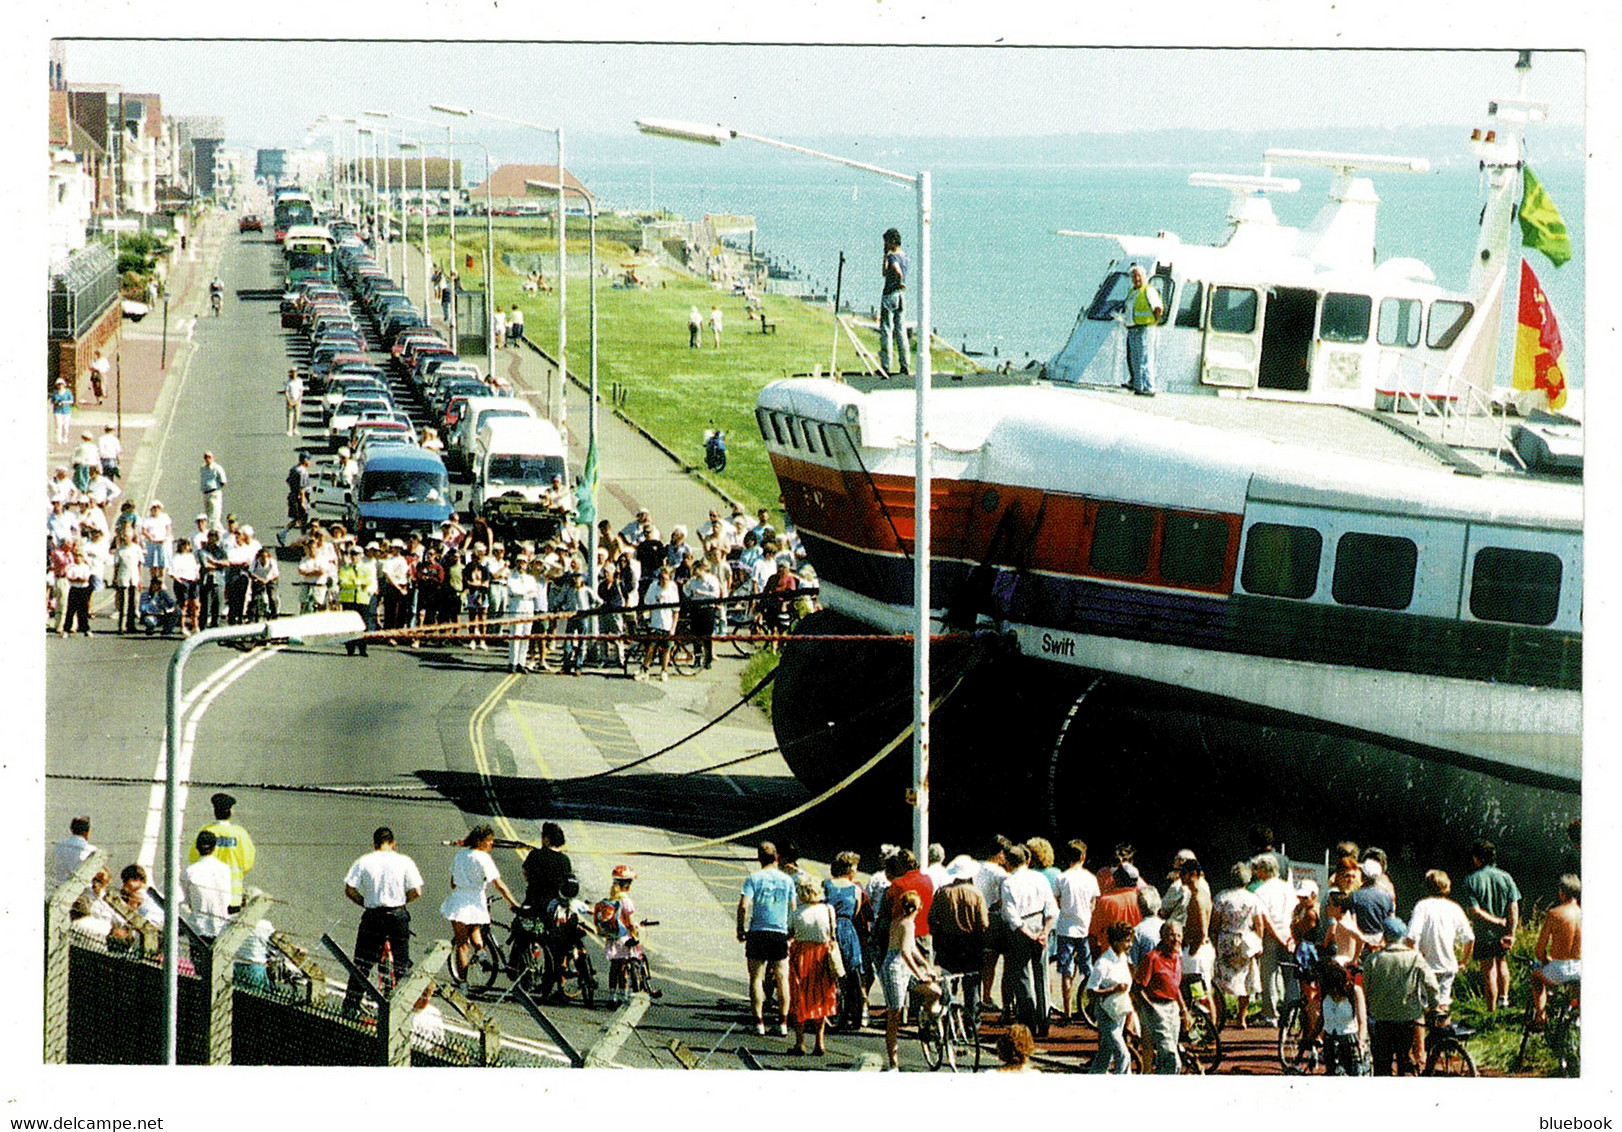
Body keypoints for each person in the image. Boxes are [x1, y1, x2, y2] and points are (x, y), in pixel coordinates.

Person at [341, 826, 425, 1015]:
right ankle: (400, 1009)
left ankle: (351, 1005)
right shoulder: (405, 861)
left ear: (375, 844)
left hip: (373, 916)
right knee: (401, 964)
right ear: (393, 844)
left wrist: (364, 902)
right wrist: (403, 901)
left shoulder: (364, 861)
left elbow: (350, 890)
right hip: (397, 915)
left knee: (362, 962)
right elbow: (417, 891)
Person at [1362, 914, 1439, 1076]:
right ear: (1403, 936)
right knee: (1404, 1058)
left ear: (1384, 936)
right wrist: (1433, 1006)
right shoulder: (1414, 958)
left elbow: (1364, 989)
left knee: (1382, 1063)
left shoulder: (1374, 959)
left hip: (1381, 1018)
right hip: (1407, 1016)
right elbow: (1431, 985)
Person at [439, 824, 520, 979]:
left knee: (462, 945)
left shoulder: (461, 855)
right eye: (489, 841)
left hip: (459, 900)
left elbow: (453, 882)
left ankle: (463, 984)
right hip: (476, 900)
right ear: (481, 842)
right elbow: (498, 884)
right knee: (475, 928)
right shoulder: (484, 858)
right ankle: (482, 954)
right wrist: (512, 902)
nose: (492, 844)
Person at [999, 841, 1059, 1038]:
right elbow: (1052, 908)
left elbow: (1010, 913)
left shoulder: (1008, 882)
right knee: (1041, 973)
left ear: (1009, 862)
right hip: (1039, 921)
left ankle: (1029, 1020)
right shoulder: (1039, 879)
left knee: (1023, 975)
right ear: (1028, 859)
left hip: (1021, 928)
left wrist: (1028, 932)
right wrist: (1044, 931)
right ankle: (1044, 1019)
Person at [737, 842, 797, 1035]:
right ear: (777, 857)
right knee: (782, 977)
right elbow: (793, 908)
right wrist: (791, 931)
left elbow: (744, 906)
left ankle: (758, 1022)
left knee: (756, 978)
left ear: (759, 857)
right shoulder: (787, 880)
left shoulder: (753, 878)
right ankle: (783, 1023)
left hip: (758, 931)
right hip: (779, 932)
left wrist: (740, 928)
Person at [928, 854, 990, 1034]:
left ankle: (948, 1022)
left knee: (948, 984)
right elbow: (984, 923)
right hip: (971, 943)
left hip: (948, 943)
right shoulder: (977, 893)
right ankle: (972, 1024)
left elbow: (932, 919)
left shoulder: (942, 893)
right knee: (972, 986)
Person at [880, 889, 940, 1070]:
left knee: (935, 991)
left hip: (904, 966)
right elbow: (905, 953)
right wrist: (920, 973)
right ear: (919, 907)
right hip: (894, 969)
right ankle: (893, 1063)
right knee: (894, 1015)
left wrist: (927, 967)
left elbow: (912, 948)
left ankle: (926, 1018)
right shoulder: (906, 924)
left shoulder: (903, 922)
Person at [1461, 839, 1521, 1012]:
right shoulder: (1506, 877)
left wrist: (1496, 921)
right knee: (1502, 963)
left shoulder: (1471, 880)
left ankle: (1491, 1010)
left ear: (1477, 859)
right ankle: (1504, 1000)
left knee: (1489, 970)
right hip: (1503, 931)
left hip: (1484, 932)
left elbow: (1474, 911)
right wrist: (1511, 932)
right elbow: (1513, 906)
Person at [1405, 869, 1475, 1011]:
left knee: (1423, 1006)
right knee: (1443, 1004)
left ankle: (1425, 1031)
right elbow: (1470, 938)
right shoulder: (1454, 908)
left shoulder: (1422, 906)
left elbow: (1411, 937)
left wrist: (1415, 958)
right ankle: (1443, 1031)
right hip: (1448, 964)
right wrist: (1464, 961)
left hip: (1425, 965)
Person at [787, 873, 839, 1055]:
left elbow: (790, 933)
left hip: (802, 956)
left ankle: (800, 1042)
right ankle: (819, 1042)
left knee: (799, 998)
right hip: (823, 956)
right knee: (821, 998)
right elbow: (832, 932)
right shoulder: (828, 910)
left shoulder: (797, 913)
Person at [1210, 860, 1265, 1029]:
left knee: (1220, 980)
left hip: (1226, 940)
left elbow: (1215, 924)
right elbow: (1259, 924)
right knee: (1246, 978)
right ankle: (1242, 1017)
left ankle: (1220, 1017)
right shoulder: (1253, 899)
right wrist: (1259, 943)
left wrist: (1214, 941)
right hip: (1245, 942)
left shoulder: (1222, 897)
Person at [824, 851, 870, 1030]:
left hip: (829, 928)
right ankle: (852, 1012)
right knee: (852, 973)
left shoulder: (826, 885)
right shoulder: (856, 889)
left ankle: (831, 1010)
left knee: (830, 970)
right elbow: (856, 912)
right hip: (847, 930)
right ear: (849, 868)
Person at [1133, 919, 1185, 1074]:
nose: (1176, 939)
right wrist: (1150, 1007)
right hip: (1156, 1007)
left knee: (1169, 1051)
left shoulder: (1176, 957)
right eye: (1171, 935)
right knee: (1170, 1055)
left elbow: (1175, 987)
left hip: (1172, 1008)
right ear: (1162, 936)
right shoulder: (1152, 958)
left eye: (1178, 935)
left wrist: (1184, 1010)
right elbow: (1137, 987)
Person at [191, 792, 256, 914]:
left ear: (215, 812)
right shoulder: (240, 834)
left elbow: (194, 858)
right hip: (233, 895)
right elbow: (248, 862)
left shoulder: (206, 831)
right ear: (231, 812)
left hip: (209, 896)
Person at [1088, 920, 1138, 1073]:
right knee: (1123, 1054)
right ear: (1115, 942)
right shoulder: (1103, 963)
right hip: (1106, 1013)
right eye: (1126, 941)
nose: (1129, 945)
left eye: (1130, 941)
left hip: (1120, 1012)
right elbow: (1091, 991)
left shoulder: (1123, 958)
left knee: (1105, 1054)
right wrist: (1113, 990)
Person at [1532, 874, 1581, 1027]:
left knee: (1536, 976)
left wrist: (1545, 960)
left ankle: (1541, 1018)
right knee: (1575, 985)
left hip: (1559, 969)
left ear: (1562, 892)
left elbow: (1540, 949)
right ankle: (1577, 1013)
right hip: (1580, 968)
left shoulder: (1555, 914)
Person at [1251, 853, 1294, 1026]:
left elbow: (1264, 919)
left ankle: (1271, 1014)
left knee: (1268, 975)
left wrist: (1272, 936)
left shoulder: (1261, 891)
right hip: (1289, 934)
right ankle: (1290, 1013)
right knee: (1290, 975)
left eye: (1257, 869)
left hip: (1270, 935)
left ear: (1263, 870)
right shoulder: (1288, 888)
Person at [598, 865, 649, 1004]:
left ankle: (612, 996)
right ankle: (622, 996)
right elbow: (630, 922)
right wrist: (635, 933)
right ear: (628, 884)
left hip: (613, 938)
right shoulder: (626, 900)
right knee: (623, 970)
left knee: (613, 969)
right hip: (623, 938)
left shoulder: (612, 898)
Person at [180, 829, 233, 943]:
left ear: (197, 847)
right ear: (214, 847)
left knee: (197, 960)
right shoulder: (225, 869)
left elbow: (188, 901)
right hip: (222, 927)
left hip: (199, 928)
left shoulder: (190, 871)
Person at [1319, 958, 1368, 1076]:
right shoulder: (1326, 993)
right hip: (1330, 1041)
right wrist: (1311, 1038)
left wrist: (1361, 1042)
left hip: (1350, 1042)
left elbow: (1362, 1022)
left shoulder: (1355, 992)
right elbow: (1322, 1018)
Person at [1122, 263, 1163, 396]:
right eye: (1133, 277)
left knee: (1144, 358)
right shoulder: (1133, 291)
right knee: (1135, 359)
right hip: (1132, 329)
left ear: (1144, 277)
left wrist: (1154, 322)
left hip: (1143, 329)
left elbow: (1158, 308)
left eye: (1138, 276)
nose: (1136, 279)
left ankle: (1147, 387)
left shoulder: (1148, 290)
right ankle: (1138, 385)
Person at [521, 822, 574, 912]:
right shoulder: (565, 860)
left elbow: (525, 872)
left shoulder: (535, 855)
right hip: (553, 906)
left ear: (547, 839)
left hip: (534, 902)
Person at [878, 227, 909, 376]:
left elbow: (894, 271)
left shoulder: (893, 258)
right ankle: (905, 364)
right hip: (901, 296)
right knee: (901, 330)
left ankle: (886, 365)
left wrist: (900, 280)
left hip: (890, 294)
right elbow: (885, 272)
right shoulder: (905, 257)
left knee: (886, 329)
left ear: (891, 242)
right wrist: (885, 256)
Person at [49, 816, 97, 891]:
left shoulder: (58, 845)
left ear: (71, 829)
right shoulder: (92, 850)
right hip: (81, 892)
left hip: (58, 888)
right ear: (87, 831)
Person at [199, 452, 228, 528]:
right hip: (206, 494)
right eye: (206, 457)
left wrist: (215, 490)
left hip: (214, 493)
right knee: (208, 516)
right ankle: (210, 532)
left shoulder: (217, 468)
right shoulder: (203, 468)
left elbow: (223, 481)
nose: (207, 459)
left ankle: (218, 532)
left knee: (215, 516)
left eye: (209, 457)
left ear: (213, 458)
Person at [51, 378, 74, 445]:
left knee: (66, 426)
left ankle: (65, 437)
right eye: (58, 385)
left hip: (66, 411)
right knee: (58, 425)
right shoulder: (55, 393)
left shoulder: (68, 392)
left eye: (61, 384)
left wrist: (64, 402)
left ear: (64, 385)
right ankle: (59, 439)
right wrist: (56, 402)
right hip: (57, 411)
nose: (60, 386)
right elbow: (52, 401)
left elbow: (71, 401)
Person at [284, 369, 304, 437]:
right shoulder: (288, 382)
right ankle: (289, 430)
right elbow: (286, 392)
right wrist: (289, 400)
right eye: (293, 372)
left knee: (297, 415)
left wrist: (299, 399)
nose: (294, 374)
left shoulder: (299, 381)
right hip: (291, 400)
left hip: (297, 400)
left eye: (295, 372)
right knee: (290, 415)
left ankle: (295, 429)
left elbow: (301, 391)